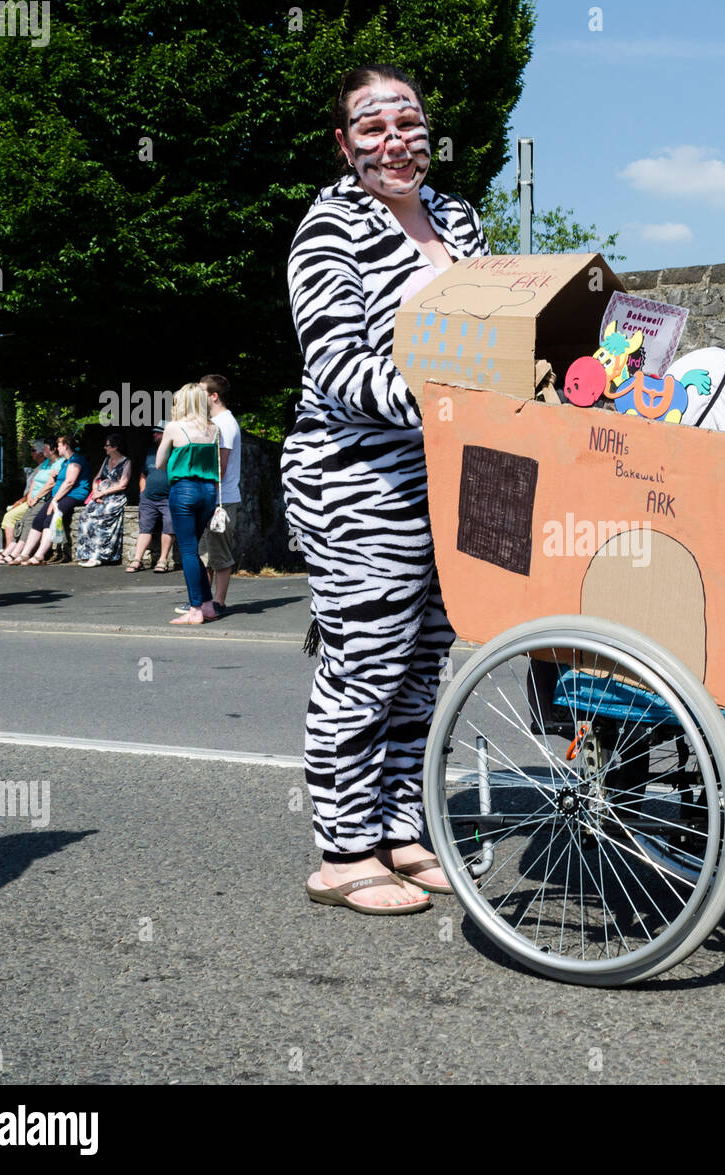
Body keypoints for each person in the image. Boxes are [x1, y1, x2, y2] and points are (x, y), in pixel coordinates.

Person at [283, 63, 487, 914]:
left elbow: (495, 327)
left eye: (408, 123)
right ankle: (342, 850)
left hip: (447, 475)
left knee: (421, 665)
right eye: (372, 129)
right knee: (364, 664)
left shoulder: (460, 221)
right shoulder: (327, 229)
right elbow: (335, 366)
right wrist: (445, 402)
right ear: (344, 143)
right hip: (355, 477)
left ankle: (401, 829)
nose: (395, 142)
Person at [155, 382, 219, 625]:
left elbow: (160, 462)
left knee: (189, 551)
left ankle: (194, 609)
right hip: (208, 492)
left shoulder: (174, 427)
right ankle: (207, 604)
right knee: (194, 548)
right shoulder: (214, 429)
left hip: (184, 490)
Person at [197, 374, 240, 610]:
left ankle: (218, 602)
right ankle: (204, 601)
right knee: (206, 554)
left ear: (214, 396)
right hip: (215, 498)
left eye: (201, 392)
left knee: (220, 554)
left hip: (222, 500)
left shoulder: (224, 424)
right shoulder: (219, 422)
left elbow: (220, 468)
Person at [15, 435, 90, 565]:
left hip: (74, 495)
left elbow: (70, 482)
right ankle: (24, 554)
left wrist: (54, 500)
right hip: (60, 495)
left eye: (59, 445)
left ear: (66, 446)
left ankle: (39, 555)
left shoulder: (76, 460)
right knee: (38, 519)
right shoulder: (66, 462)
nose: (57, 448)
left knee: (50, 519)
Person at [0, 439, 57, 564]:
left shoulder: (55, 464)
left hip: (41, 499)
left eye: (34, 450)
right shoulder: (43, 466)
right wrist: (27, 499)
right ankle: (10, 550)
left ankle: (17, 551)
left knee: (17, 519)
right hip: (31, 499)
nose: (31, 453)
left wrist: (34, 498)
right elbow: (33, 483)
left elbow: (51, 483)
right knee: (20, 520)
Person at [75, 433, 132, 567]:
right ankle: (86, 553)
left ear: (115, 447)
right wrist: (96, 492)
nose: (104, 448)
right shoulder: (106, 460)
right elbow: (97, 478)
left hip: (115, 496)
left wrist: (104, 492)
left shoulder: (126, 462)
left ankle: (99, 555)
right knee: (85, 516)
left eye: (107, 445)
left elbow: (123, 484)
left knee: (101, 517)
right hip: (100, 495)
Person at [127, 421, 176, 573]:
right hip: (149, 498)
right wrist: (143, 491)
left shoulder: (175, 452)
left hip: (168, 498)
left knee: (169, 526)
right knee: (145, 528)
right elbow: (144, 474)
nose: (154, 434)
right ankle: (137, 559)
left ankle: (162, 560)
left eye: (158, 432)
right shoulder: (150, 452)